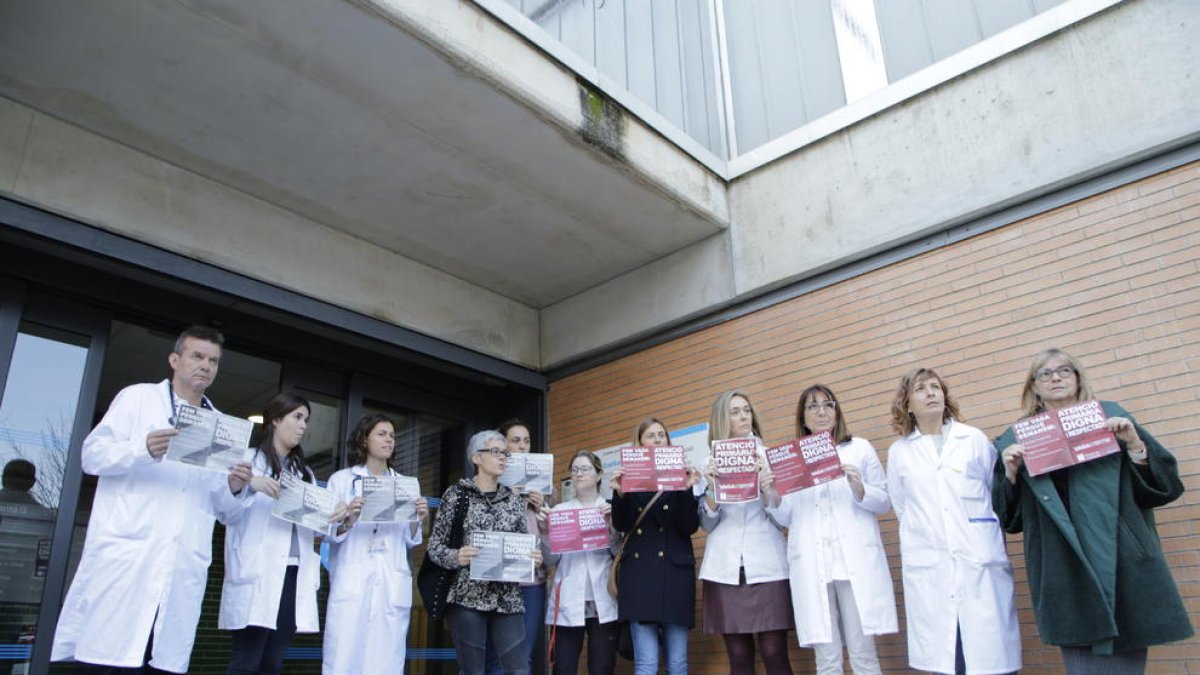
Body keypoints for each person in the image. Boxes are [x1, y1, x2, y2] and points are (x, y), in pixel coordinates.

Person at [52, 325, 253, 674]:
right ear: (174, 360)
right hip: (129, 558)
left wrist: (235, 487)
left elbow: (226, 511)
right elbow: (92, 456)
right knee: (104, 659)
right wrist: (142, 449)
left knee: (159, 662)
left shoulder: (221, 427)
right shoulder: (138, 399)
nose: (205, 365)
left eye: (213, 361)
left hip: (181, 566)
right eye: (197, 356)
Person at [993, 348, 1192, 673]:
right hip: (1064, 565)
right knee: (1082, 664)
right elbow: (1010, 519)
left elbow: (1164, 487)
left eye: (1064, 370)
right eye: (1045, 373)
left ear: (1078, 378)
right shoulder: (1016, 440)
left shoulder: (1111, 418)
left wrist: (1134, 445)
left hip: (1121, 558)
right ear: (1034, 387)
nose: (1055, 378)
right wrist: (1012, 473)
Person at [886, 367, 1020, 675]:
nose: (931, 393)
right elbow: (903, 507)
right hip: (931, 567)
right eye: (921, 389)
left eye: (936, 387)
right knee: (948, 658)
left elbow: (994, 493)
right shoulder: (900, 452)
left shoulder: (972, 439)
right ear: (908, 405)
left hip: (979, 561)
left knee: (991, 657)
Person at [762, 385, 896, 674]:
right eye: (812, 406)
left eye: (828, 405)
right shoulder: (790, 460)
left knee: (863, 655)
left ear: (837, 411)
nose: (821, 412)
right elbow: (786, 517)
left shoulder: (859, 448)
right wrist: (772, 495)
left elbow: (884, 501)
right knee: (827, 660)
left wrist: (860, 488)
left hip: (852, 563)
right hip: (814, 565)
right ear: (803, 417)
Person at [220, 393, 328, 675]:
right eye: (297, 417)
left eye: (306, 419)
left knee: (272, 663)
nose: (303, 425)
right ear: (276, 420)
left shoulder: (304, 473)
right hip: (257, 570)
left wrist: (334, 518)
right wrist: (248, 485)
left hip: (293, 574)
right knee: (247, 661)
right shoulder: (247, 461)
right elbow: (225, 512)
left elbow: (314, 530)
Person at [427, 430, 544, 675]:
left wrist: (533, 558)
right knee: (472, 670)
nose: (502, 457)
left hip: (507, 598)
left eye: (505, 453)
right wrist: (456, 556)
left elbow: (524, 544)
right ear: (476, 458)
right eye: (495, 451)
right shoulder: (456, 495)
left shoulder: (514, 500)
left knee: (519, 669)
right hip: (466, 597)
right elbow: (435, 547)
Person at [323, 414, 430, 675]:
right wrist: (349, 518)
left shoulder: (404, 485)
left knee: (385, 658)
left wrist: (419, 518)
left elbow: (410, 539)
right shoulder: (342, 480)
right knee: (344, 653)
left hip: (390, 580)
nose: (389, 440)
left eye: (392, 435)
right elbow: (327, 532)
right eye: (381, 434)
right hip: (353, 579)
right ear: (364, 439)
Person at [699, 390, 793, 675]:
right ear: (721, 419)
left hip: (768, 563)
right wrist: (712, 489)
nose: (743, 416)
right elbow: (706, 524)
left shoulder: (769, 457)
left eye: (747, 410)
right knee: (739, 656)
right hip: (724, 566)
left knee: (774, 651)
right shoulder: (708, 463)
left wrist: (768, 490)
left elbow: (785, 517)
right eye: (735, 411)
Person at [610, 417, 702, 675]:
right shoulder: (629, 477)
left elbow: (689, 526)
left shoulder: (680, 475)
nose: (658, 440)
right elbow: (622, 524)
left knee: (678, 663)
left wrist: (686, 489)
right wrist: (620, 494)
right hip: (640, 576)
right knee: (646, 663)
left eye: (662, 435)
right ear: (639, 444)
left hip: (674, 573)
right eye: (651, 436)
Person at [543, 451, 618, 675]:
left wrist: (612, 525)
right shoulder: (560, 512)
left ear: (599, 475)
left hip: (603, 598)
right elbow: (550, 560)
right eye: (574, 470)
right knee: (563, 668)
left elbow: (617, 552)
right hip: (568, 600)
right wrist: (546, 533)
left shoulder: (610, 508)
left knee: (602, 667)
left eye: (585, 469)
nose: (579, 474)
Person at [486, 419, 549, 675]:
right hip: (500, 579)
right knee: (496, 656)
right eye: (515, 441)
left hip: (532, 582)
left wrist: (542, 506)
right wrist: (507, 498)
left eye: (526, 441)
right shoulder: (490, 483)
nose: (522, 446)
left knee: (524, 656)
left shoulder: (543, 486)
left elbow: (551, 542)